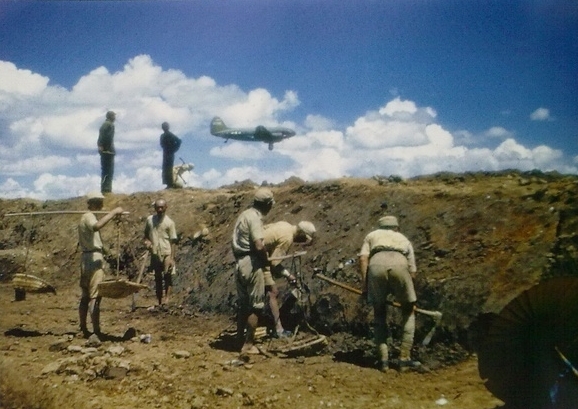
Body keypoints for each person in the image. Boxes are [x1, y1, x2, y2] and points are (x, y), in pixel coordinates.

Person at [358, 215, 421, 372]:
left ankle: (383, 361)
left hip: (376, 265)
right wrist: (408, 296)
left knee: (379, 312)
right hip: (400, 264)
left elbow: (363, 259)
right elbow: (413, 271)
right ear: (396, 227)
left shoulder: (372, 236)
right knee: (408, 312)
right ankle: (404, 359)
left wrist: (366, 286)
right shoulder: (403, 239)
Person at [231, 188, 275, 355]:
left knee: (243, 305)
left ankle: (239, 339)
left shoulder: (244, 215)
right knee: (255, 306)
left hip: (240, 261)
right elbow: (258, 244)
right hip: (251, 262)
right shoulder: (255, 218)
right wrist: (265, 259)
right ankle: (248, 344)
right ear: (267, 204)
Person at [78, 191, 124, 338]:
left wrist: (107, 252)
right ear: (94, 203)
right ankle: (96, 331)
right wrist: (113, 213)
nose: (101, 205)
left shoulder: (86, 217)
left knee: (86, 296)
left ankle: (84, 328)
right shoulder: (89, 216)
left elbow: (95, 239)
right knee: (94, 296)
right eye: (100, 202)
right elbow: (96, 226)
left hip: (87, 257)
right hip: (92, 259)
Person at [263, 220, 316, 337]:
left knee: (265, 290)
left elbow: (264, 229)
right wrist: (288, 275)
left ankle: (265, 324)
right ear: (301, 233)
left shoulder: (284, 224)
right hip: (254, 256)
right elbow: (274, 263)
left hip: (254, 252)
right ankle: (279, 330)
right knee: (273, 292)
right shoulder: (287, 238)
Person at [144, 199, 178, 306]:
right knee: (157, 277)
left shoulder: (169, 223)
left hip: (166, 252)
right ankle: (159, 300)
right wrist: (147, 242)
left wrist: (172, 258)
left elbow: (173, 241)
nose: (159, 209)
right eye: (157, 207)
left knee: (167, 276)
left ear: (166, 207)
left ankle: (167, 300)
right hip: (155, 253)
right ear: (155, 208)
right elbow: (145, 235)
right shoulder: (150, 220)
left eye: (161, 207)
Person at [97, 111, 116, 194]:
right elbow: (103, 136)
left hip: (107, 150)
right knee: (108, 170)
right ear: (110, 116)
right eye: (114, 116)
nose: (115, 118)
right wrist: (101, 146)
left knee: (106, 170)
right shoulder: (108, 125)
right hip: (107, 150)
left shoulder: (106, 124)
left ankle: (105, 188)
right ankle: (106, 188)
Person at [160, 122, 182, 189]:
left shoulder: (170, 135)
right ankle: (167, 183)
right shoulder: (162, 136)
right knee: (165, 168)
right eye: (163, 126)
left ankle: (170, 184)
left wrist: (174, 149)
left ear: (168, 127)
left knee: (169, 168)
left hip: (170, 153)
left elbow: (179, 141)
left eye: (165, 126)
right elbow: (161, 144)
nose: (164, 128)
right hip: (165, 153)